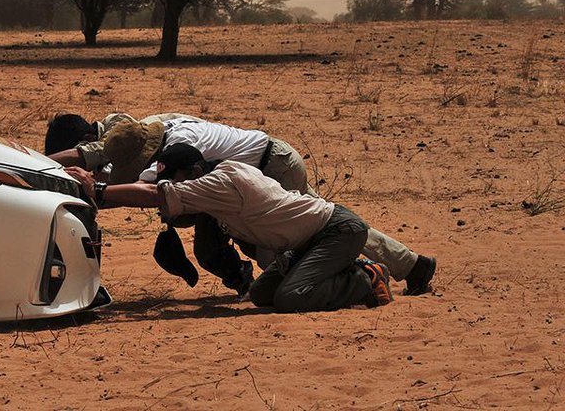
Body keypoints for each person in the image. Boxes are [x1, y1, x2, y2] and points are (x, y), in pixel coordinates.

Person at [46, 113, 436, 296]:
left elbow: (149, 194)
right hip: (238, 184)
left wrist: (94, 192)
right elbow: (98, 158)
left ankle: (393, 267)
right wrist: (38, 165)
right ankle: (251, 285)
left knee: (306, 229)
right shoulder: (152, 127)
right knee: (222, 247)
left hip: (273, 164)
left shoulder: (180, 153)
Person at [66, 143, 394, 313]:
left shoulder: (222, 183)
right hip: (307, 242)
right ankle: (342, 271)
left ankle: (365, 277)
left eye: (175, 180)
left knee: (290, 298)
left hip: (334, 231)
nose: (173, 187)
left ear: (195, 172)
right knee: (262, 294)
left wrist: (97, 189)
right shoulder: (222, 178)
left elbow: (155, 195)